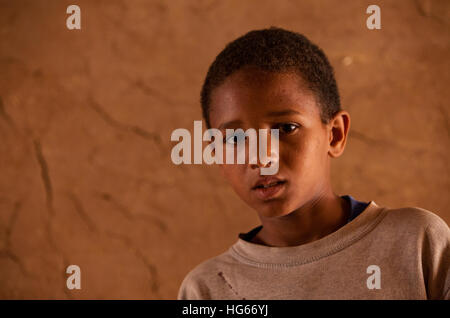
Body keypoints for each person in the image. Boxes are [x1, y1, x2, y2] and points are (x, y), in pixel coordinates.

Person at [177, 27, 450, 299]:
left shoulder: (416, 243)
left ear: (335, 134)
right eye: (235, 139)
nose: (260, 157)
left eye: (286, 127)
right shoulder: (207, 290)